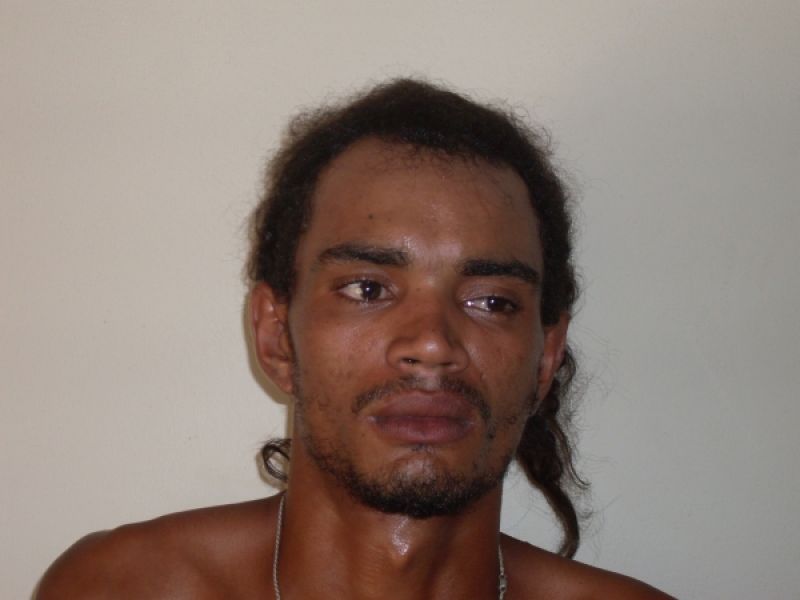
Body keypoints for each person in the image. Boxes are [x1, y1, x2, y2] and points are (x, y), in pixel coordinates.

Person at [37, 79, 673, 599]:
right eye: (367, 289)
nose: (432, 344)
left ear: (546, 357)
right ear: (277, 335)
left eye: (491, 301)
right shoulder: (118, 589)